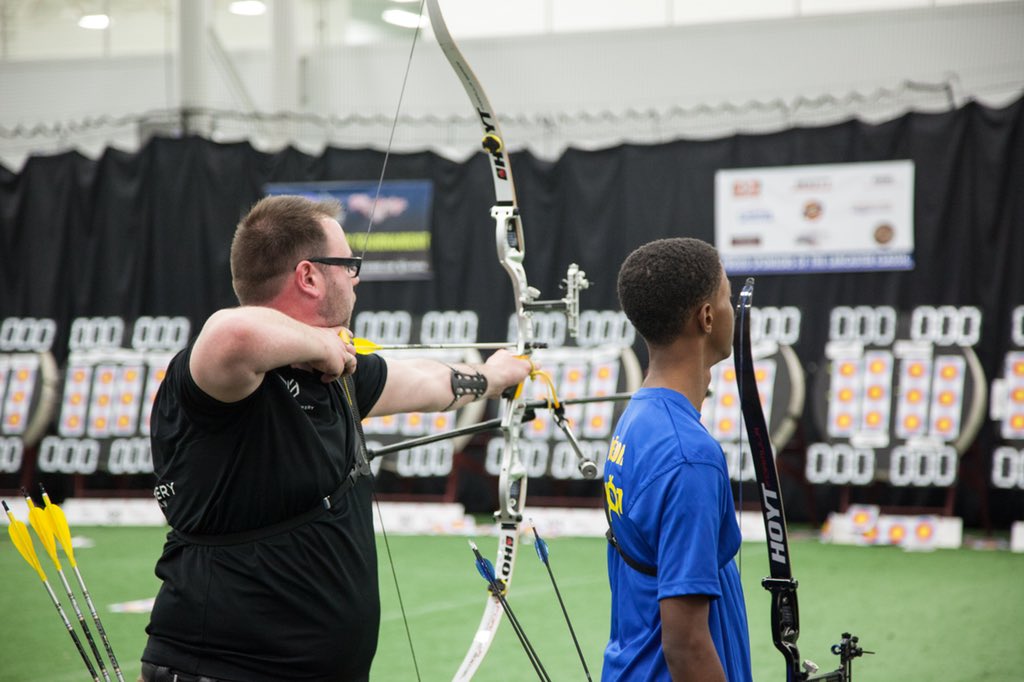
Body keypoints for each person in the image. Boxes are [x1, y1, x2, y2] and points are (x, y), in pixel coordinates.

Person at [140, 195, 532, 682]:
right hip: (222, 669)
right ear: (308, 276)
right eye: (348, 265)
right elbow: (231, 333)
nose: (355, 278)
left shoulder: (335, 374)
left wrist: (493, 377)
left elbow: (426, 382)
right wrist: (321, 344)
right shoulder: (221, 376)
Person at [602, 237, 752, 682]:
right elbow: (685, 646)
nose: (734, 311)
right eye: (727, 298)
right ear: (706, 317)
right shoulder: (690, 457)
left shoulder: (637, 419)